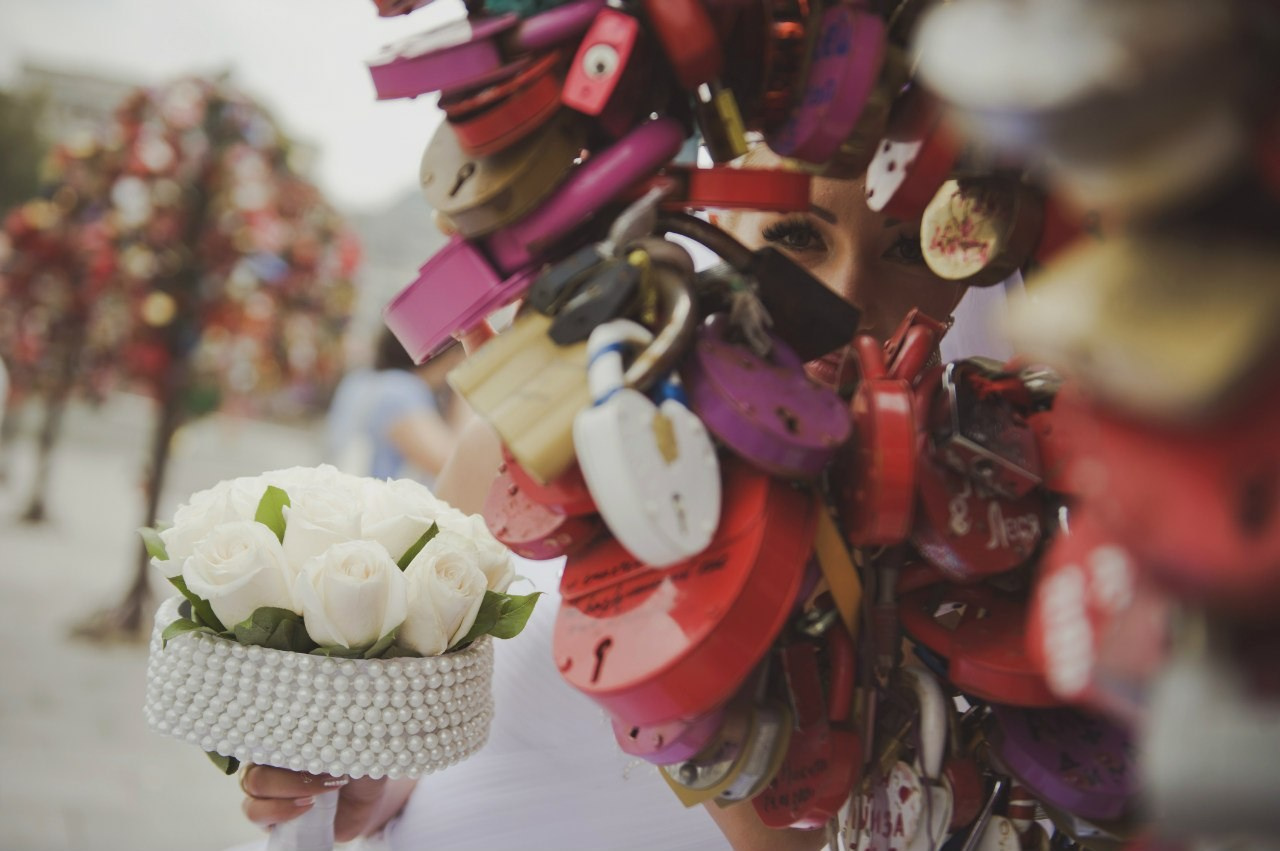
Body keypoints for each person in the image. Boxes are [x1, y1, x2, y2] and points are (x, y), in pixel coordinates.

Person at [236, 149, 1009, 851]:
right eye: (798, 237)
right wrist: (351, 783)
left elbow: (797, 831)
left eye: (909, 248)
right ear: (718, 227)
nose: (845, 298)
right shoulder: (523, 451)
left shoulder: (975, 549)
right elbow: (404, 762)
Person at [325, 329, 466, 486]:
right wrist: (463, 390)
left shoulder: (359, 380)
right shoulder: (400, 390)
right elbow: (451, 465)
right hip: (379, 505)